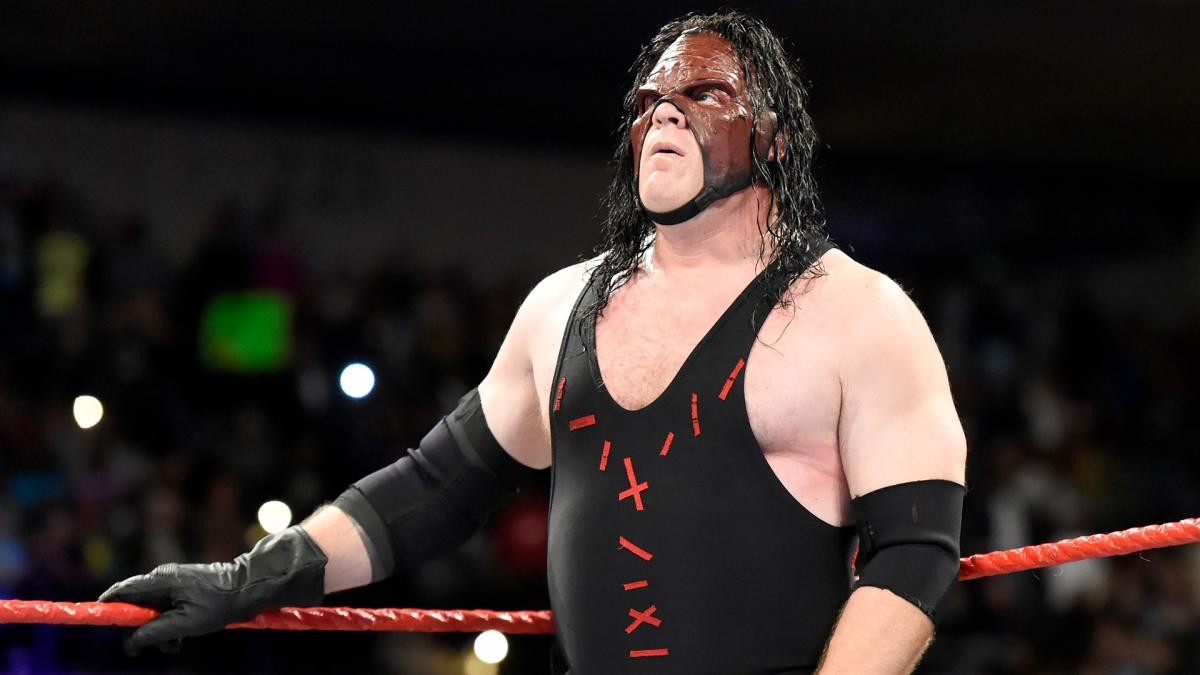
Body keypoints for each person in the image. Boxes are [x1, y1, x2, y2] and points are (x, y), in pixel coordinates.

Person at [99, 11, 966, 675]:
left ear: (770, 135)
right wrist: (248, 578)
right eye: (648, 104)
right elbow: (434, 489)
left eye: (702, 96)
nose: (665, 115)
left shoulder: (857, 313)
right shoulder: (560, 306)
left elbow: (916, 550)